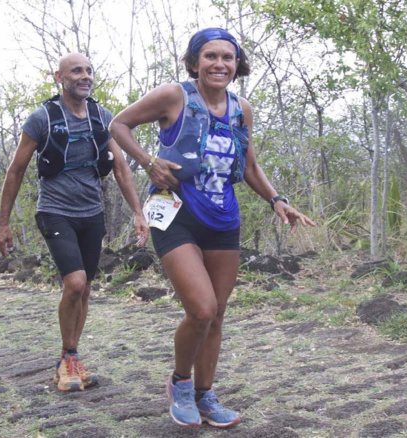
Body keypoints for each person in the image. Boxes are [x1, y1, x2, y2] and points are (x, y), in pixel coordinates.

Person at [109, 28, 316, 427]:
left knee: (217, 314)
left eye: (228, 57)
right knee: (200, 309)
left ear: (237, 65)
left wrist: (277, 200)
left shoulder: (242, 108)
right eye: (210, 56)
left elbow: (250, 166)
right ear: (193, 62)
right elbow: (119, 125)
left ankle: (206, 395)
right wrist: (149, 162)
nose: (219, 64)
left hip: (224, 218)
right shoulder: (175, 96)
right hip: (176, 214)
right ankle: (180, 383)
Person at [0, 53, 149, 392]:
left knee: (86, 288)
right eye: (76, 70)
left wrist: (138, 212)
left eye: (89, 71)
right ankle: (66, 358)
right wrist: (2, 223)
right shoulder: (42, 119)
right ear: (59, 77)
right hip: (55, 210)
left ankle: (73, 357)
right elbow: (16, 169)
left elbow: (121, 169)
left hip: (91, 213)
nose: (85, 76)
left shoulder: (102, 117)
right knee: (75, 283)